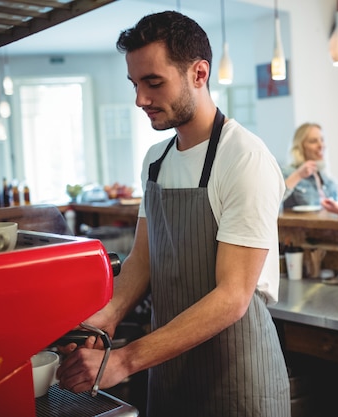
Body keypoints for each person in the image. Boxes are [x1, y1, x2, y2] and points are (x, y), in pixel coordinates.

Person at [56, 11, 290, 417]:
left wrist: (125, 361)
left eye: (154, 82)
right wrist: (108, 316)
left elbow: (233, 297)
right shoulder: (156, 161)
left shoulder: (244, 158)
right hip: (168, 370)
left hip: (236, 380)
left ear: (199, 74)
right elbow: (142, 260)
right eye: (135, 84)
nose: (140, 99)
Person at [282, 122, 338, 208]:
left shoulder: (325, 176)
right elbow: (274, 202)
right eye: (313, 141)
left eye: (322, 140)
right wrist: (298, 175)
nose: (321, 145)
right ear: (301, 146)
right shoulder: (287, 172)